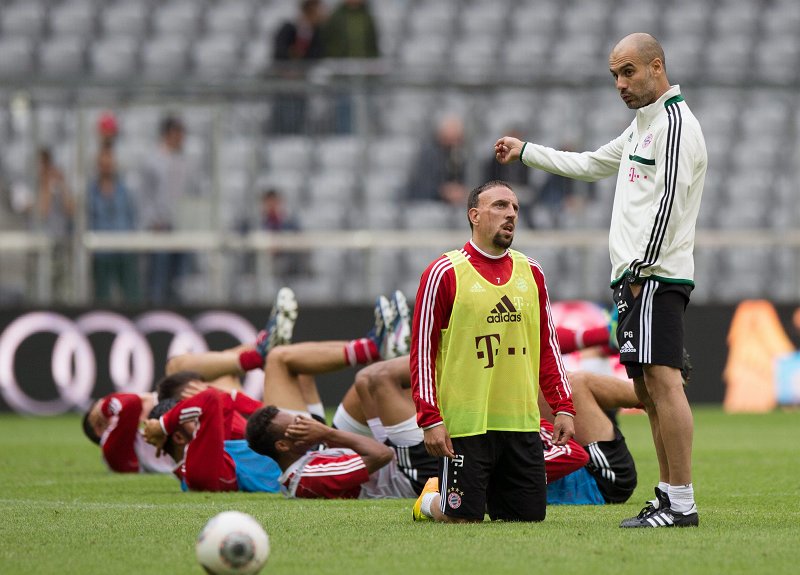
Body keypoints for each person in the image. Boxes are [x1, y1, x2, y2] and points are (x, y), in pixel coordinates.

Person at [495, 33, 707, 528]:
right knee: (649, 390)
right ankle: (670, 494)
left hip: (654, 277)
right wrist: (527, 151)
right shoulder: (641, 127)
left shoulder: (675, 126)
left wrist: (640, 270)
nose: (620, 83)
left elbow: (670, 207)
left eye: (628, 71)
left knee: (663, 384)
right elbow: (590, 164)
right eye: (615, 74)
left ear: (657, 67)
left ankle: (682, 501)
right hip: (637, 280)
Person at [410, 179, 576, 523]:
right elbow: (422, 351)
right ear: (474, 215)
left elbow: (547, 346)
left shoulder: (532, 272)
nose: (511, 213)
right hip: (467, 425)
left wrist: (564, 406)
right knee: (462, 519)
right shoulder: (444, 272)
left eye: (515, 207)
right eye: (500, 205)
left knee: (527, 520)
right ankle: (428, 502)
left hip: (520, 422)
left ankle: (475, 495)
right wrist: (430, 418)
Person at [138, 114, 197, 305]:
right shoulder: (153, 161)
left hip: (180, 227)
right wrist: (151, 222)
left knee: (179, 281)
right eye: (178, 132)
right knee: (158, 278)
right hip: (159, 227)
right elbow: (146, 195)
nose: (181, 137)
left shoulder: (183, 161)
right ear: (168, 133)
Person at [87, 141, 140, 304]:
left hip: (124, 249)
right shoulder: (91, 191)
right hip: (102, 252)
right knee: (102, 298)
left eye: (109, 161)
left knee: (132, 297)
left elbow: (132, 215)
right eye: (103, 162)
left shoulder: (125, 189)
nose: (107, 165)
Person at [271, 0, 326, 134]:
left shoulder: (316, 33)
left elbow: (317, 54)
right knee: (283, 116)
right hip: (284, 82)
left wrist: (301, 67)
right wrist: (289, 64)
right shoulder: (288, 28)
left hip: (301, 82)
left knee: (298, 115)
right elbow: (279, 51)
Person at [35, 147, 74, 302]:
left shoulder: (58, 188)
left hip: (60, 244)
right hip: (40, 248)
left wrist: (62, 185)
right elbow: (42, 211)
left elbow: (71, 210)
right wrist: (45, 186)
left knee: (64, 290)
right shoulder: (33, 188)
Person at [407, 114, 468, 207]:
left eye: (458, 139)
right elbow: (421, 186)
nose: (455, 142)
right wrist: (444, 192)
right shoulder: (427, 155)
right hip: (428, 204)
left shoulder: (461, 154)